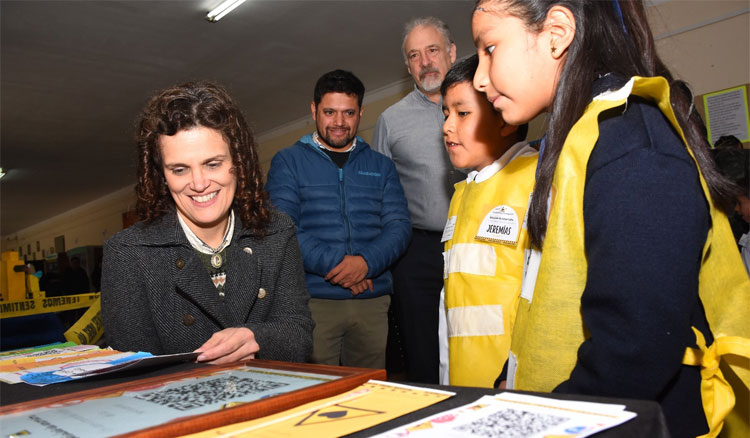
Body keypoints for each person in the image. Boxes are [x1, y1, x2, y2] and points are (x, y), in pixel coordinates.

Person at [471, 1, 750, 437]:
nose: (478, 77)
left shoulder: (633, 145)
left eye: (489, 48)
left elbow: (634, 349)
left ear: (557, 33)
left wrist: (535, 422)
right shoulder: (580, 139)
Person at [101, 81, 314, 364]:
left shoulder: (277, 231)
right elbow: (134, 371)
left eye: (212, 164)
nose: (199, 184)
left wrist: (258, 338)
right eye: (180, 169)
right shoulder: (128, 253)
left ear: (238, 161)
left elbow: (299, 333)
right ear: (162, 176)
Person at [266, 70, 411, 369]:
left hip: (372, 299)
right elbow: (283, 226)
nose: (339, 122)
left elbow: (399, 226)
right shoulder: (287, 161)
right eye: (329, 112)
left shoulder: (381, 166)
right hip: (313, 302)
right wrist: (341, 267)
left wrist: (365, 264)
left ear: (360, 113)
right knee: (316, 392)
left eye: (348, 113)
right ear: (313, 110)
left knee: (369, 392)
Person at [372, 16, 463, 384]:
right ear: (407, 65)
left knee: (479, 337)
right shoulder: (391, 121)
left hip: (481, 241)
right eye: (414, 55)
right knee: (424, 349)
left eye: (432, 50)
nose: (425, 62)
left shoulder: (487, 100)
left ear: (452, 53)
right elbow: (380, 196)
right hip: (418, 253)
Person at [438, 54, 537, 388]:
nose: (447, 126)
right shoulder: (460, 195)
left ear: (504, 118)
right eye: (446, 113)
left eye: (462, 113)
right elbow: (450, 306)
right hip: (462, 383)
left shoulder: (536, 180)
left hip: (514, 384)